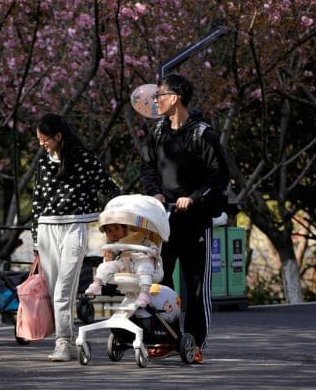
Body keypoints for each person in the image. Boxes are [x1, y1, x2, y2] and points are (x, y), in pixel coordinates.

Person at [140, 73, 230, 364]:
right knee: (160, 282)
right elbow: (147, 168)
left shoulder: (202, 134)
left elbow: (219, 175)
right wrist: (154, 193)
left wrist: (193, 197)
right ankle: (166, 337)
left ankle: (195, 341)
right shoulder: (156, 132)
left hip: (195, 222)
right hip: (163, 222)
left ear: (175, 98)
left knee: (194, 286)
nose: (156, 101)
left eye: (160, 95)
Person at [31, 113, 120, 362]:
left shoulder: (85, 160)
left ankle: (62, 342)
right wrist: (35, 241)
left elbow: (108, 187)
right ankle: (67, 342)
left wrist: (124, 209)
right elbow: (37, 202)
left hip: (75, 227)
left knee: (63, 290)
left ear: (59, 136)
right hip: (47, 228)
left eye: (44, 139)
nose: (41, 144)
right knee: (52, 291)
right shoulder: (43, 163)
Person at [84, 223, 160, 307]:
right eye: (109, 230)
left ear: (124, 229)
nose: (114, 233)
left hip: (139, 260)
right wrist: (108, 257)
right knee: (104, 266)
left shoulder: (138, 238)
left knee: (145, 267)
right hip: (121, 265)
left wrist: (153, 251)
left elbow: (152, 246)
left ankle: (144, 294)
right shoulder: (111, 246)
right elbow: (109, 259)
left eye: (117, 229)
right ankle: (97, 284)